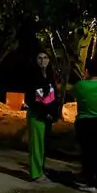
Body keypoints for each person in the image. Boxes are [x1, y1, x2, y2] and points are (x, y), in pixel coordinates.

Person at [72, 58, 97, 192]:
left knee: (87, 152)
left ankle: (90, 181)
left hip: (86, 122)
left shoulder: (81, 85)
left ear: (87, 71)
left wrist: (84, 78)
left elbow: (74, 94)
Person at [24, 51, 59, 182]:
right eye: (39, 58)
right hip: (36, 115)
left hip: (48, 116)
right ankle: (35, 173)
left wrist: (53, 114)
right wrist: (45, 113)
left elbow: (53, 96)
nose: (42, 60)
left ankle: (41, 169)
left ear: (49, 60)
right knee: (36, 145)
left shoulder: (50, 76)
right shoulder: (32, 76)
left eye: (45, 57)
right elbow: (32, 99)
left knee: (44, 145)